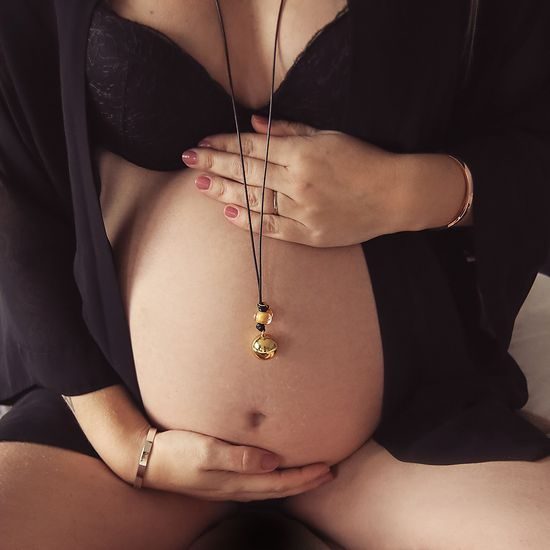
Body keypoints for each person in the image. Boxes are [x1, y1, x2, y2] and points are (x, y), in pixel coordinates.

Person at [1, 0, 550, 548]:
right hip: (121, 435)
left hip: (396, 434)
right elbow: (13, 193)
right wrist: (126, 444)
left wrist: (404, 192)